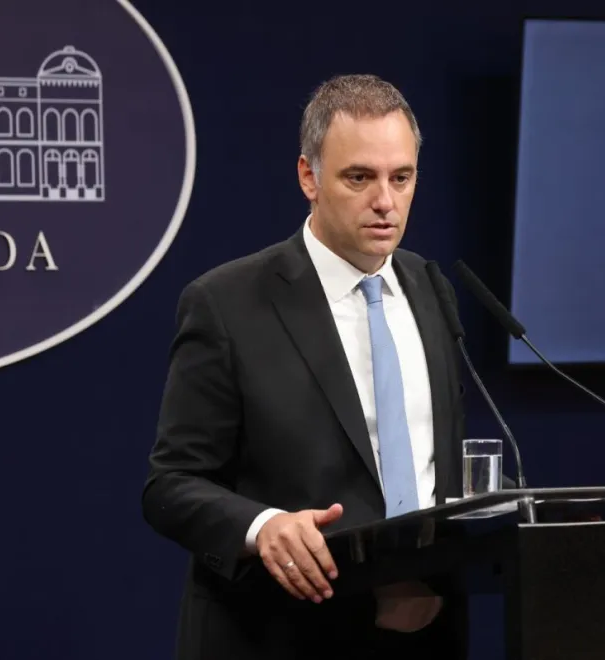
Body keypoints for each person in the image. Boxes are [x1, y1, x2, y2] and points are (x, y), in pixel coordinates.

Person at [141, 74, 470, 660]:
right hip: (285, 633)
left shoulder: (430, 287)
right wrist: (262, 526)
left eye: (401, 178)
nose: (385, 202)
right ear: (308, 177)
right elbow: (171, 485)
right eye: (359, 178)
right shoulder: (228, 303)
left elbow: (430, 468)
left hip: (426, 630)